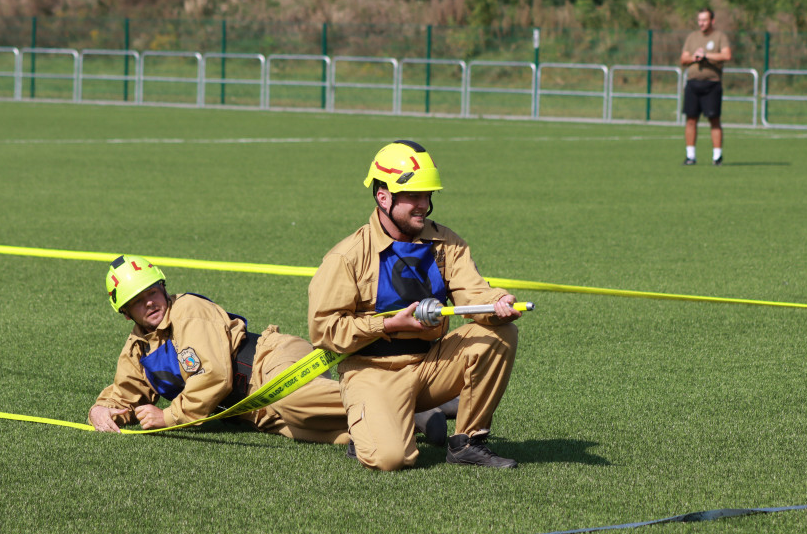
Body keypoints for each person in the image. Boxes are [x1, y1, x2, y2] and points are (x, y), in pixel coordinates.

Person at [308, 140, 522, 471]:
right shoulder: (347, 256)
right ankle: (373, 425)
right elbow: (325, 330)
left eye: (428, 196)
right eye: (414, 197)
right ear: (383, 196)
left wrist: (497, 302)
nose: (424, 205)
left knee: (500, 334)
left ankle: (468, 442)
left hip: (429, 364)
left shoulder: (446, 242)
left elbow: (472, 292)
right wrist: (388, 325)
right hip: (371, 371)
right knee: (391, 458)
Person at [89, 254, 352, 443]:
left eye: (152, 293)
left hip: (269, 362)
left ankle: (384, 396)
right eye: (137, 301)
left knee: (290, 399)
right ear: (126, 313)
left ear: (163, 288)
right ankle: (386, 424)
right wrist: (101, 410)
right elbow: (125, 394)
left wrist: (168, 417)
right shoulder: (138, 348)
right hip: (254, 411)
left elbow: (212, 375)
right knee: (336, 434)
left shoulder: (187, 310)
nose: (149, 303)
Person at [680, 7, 732, 166]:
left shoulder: (719, 37)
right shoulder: (692, 37)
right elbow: (683, 59)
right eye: (699, 20)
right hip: (693, 84)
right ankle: (690, 156)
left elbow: (726, 55)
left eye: (704, 20)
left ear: (712, 21)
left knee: (714, 120)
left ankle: (717, 157)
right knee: (690, 120)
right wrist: (694, 58)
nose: (701, 23)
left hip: (712, 85)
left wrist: (706, 55)